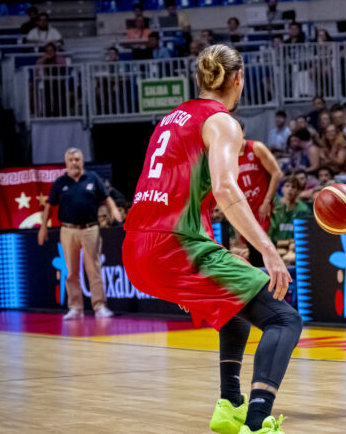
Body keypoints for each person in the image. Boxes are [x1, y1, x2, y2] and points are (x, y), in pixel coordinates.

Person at [123, 44, 301, 434]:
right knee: (284, 320)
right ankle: (257, 421)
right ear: (238, 80)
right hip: (172, 247)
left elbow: (171, 191)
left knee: (232, 311)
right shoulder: (223, 123)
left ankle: (229, 405)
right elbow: (224, 188)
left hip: (137, 247)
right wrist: (268, 250)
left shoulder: (171, 118)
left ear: (201, 79)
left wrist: (210, 251)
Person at [38, 148, 123, 320]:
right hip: (68, 230)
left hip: (90, 229)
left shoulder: (92, 178)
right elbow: (49, 205)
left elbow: (106, 197)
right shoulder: (60, 182)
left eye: (77, 159)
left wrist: (114, 210)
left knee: (94, 269)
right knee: (71, 271)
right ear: (66, 163)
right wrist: (43, 227)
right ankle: (75, 307)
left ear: (82, 161)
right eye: (71, 160)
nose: (74, 162)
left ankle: (99, 307)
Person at [238, 138, 284, 267]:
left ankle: (277, 285)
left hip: (263, 206)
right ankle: (263, 286)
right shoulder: (228, 155)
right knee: (253, 254)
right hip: (246, 209)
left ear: (242, 133)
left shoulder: (256, 148)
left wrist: (267, 201)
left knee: (267, 249)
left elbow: (277, 173)